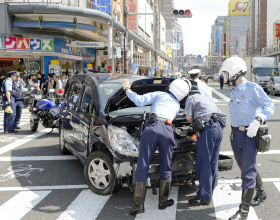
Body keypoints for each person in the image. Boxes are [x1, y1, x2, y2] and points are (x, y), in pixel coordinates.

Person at [123, 78, 192, 216]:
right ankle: (163, 201)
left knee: (143, 164)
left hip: (152, 129)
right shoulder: (177, 105)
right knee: (166, 166)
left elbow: (139, 100)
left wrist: (127, 89)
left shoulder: (160, 94)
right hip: (167, 131)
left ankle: (138, 205)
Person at [219, 57, 274, 220]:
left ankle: (243, 212)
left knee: (247, 173)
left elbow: (269, 105)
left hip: (250, 134)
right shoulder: (234, 89)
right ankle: (262, 193)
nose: (224, 77)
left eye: (226, 73)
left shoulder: (252, 88)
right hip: (236, 135)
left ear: (236, 72)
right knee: (246, 168)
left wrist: (258, 120)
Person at [184, 82, 227, 206]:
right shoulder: (206, 98)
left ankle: (204, 196)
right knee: (213, 162)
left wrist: (193, 126)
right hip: (218, 127)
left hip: (207, 129)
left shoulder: (190, 98)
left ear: (188, 93)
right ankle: (210, 190)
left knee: (204, 163)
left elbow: (188, 118)